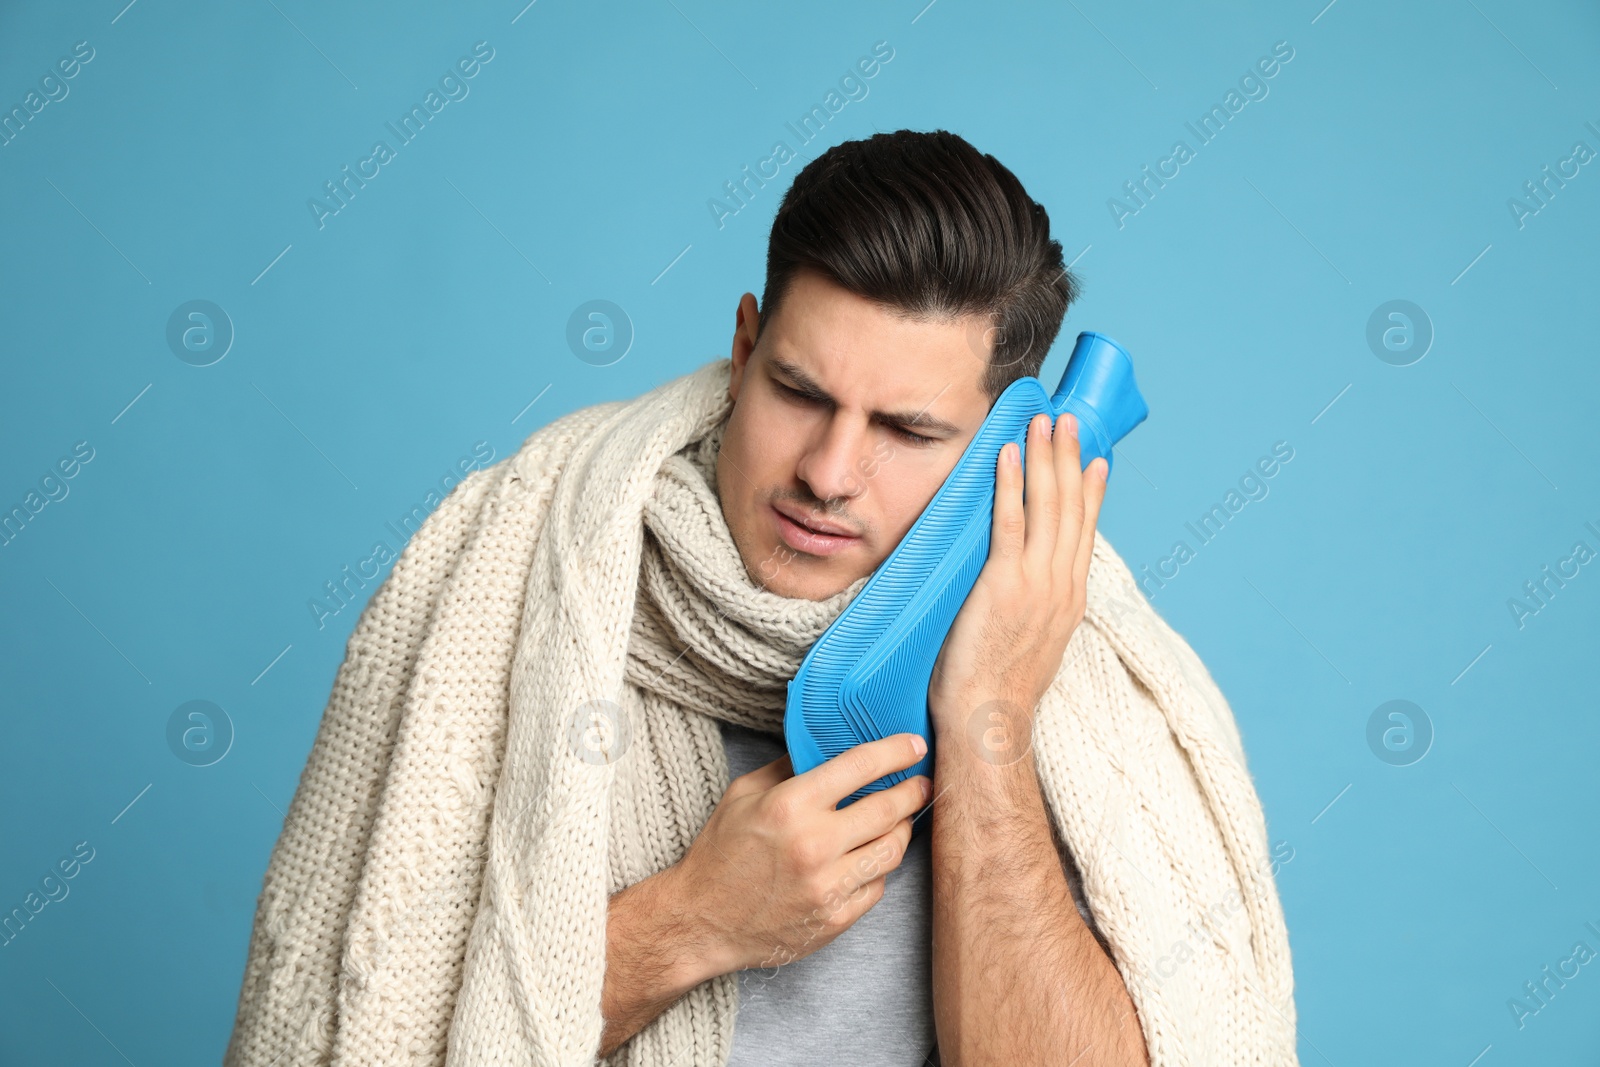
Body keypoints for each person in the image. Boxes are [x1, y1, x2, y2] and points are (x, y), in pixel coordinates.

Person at [224, 129, 1297, 1067]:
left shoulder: (1084, 691)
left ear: (1002, 445)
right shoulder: (504, 589)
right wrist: (689, 921)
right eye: (799, 392)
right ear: (744, 348)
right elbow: (349, 1033)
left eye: (908, 431)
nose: (829, 472)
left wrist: (991, 720)